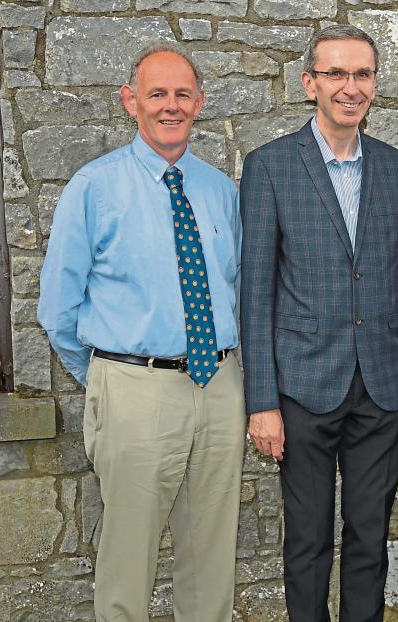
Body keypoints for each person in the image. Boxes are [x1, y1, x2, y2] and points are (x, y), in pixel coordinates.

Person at [37, 44, 245, 622]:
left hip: (220, 383)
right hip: (134, 388)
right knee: (127, 558)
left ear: (199, 103)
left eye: (182, 94)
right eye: (157, 94)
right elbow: (57, 309)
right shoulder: (94, 188)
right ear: (131, 102)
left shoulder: (220, 192)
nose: (170, 106)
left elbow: (238, 289)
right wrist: (109, 376)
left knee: (211, 556)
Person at [239, 25, 398, 622]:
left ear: (374, 84)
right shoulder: (269, 167)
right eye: (337, 74)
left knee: (370, 541)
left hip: (383, 390)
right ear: (309, 83)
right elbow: (256, 290)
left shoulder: (395, 168)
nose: (351, 87)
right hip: (303, 389)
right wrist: (261, 401)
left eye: (362, 74)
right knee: (309, 543)